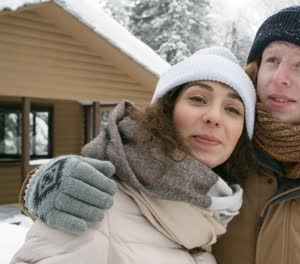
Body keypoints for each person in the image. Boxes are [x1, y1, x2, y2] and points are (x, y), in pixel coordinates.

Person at [19, 5, 300, 264]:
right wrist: (46, 184)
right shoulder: (225, 154)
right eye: (271, 59)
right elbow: (131, 161)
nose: (280, 76)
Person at [11, 47, 257, 263]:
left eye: (232, 109)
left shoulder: (217, 214)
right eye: (197, 98)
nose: (214, 116)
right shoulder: (96, 204)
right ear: (166, 110)